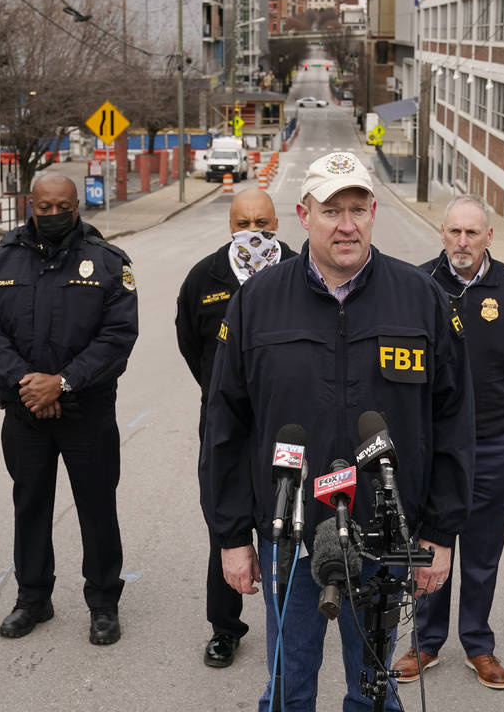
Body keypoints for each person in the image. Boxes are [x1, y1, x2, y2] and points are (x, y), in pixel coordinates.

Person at [203, 152, 475, 711]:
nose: (345, 224)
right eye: (331, 210)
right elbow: (224, 427)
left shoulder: (420, 298)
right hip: (290, 538)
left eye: (357, 209)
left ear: (374, 212)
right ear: (304, 215)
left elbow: (453, 424)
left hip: (386, 536)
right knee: (287, 687)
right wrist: (232, 537)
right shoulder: (257, 302)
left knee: (375, 691)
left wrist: (441, 534)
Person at [0, 175, 138, 646]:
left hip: (88, 412)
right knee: (31, 506)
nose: (54, 213)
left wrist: (61, 383)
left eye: (63, 205)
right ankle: (33, 598)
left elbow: (118, 337)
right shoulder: (0, 259)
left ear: (77, 206)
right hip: (24, 411)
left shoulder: (107, 262)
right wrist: (28, 384)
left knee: (97, 509)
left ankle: (103, 602)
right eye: (45, 206)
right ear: (31, 206)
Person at [393, 194, 504, 690]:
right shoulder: (417, 285)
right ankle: (424, 641)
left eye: (472, 232)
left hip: (493, 444)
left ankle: (478, 644)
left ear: (489, 237)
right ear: (442, 233)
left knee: (483, 550)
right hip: (432, 448)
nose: (463, 241)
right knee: (428, 544)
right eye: (454, 232)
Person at [175, 188, 298, 668]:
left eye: (264, 222)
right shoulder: (204, 277)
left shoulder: (298, 269)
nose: (255, 232)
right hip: (225, 426)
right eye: (245, 222)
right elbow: (190, 342)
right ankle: (225, 627)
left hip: (286, 427)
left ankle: (290, 620)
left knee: (288, 523)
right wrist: (218, 395)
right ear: (230, 225)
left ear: (278, 223)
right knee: (224, 525)